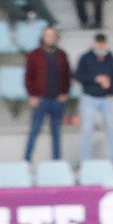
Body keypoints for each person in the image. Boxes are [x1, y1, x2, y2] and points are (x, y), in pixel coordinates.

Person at [23, 25, 70, 165]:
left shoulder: (62, 55)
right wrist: (32, 95)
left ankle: (57, 162)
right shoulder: (34, 55)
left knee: (56, 133)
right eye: (47, 35)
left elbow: (67, 75)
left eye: (52, 36)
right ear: (43, 37)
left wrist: (64, 93)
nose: (50, 38)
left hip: (57, 99)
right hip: (41, 99)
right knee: (34, 131)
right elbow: (28, 77)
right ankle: (26, 161)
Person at [74, 32, 113, 165]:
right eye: (98, 43)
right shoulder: (86, 58)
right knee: (87, 129)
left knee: (110, 129)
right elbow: (78, 76)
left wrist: (112, 90)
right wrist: (95, 79)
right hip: (90, 97)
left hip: (105, 98)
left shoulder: (110, 58)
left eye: (102, 43)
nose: (100, 45)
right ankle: (85, 160)